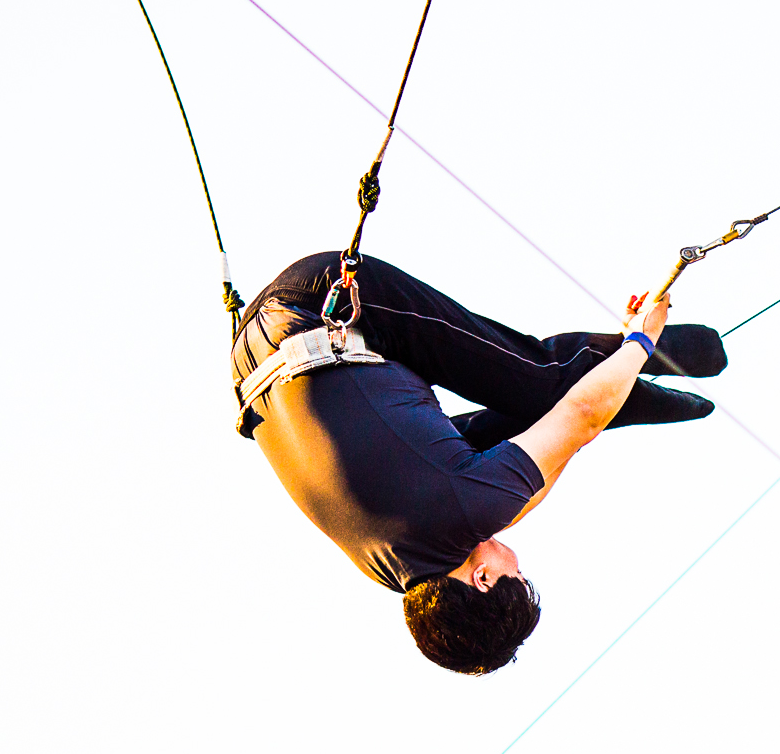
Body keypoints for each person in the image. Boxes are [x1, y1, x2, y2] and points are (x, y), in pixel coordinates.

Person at [231, 252, 728, 674]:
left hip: (330, 303)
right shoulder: (394, 565)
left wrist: (637, 343)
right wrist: (572, 442)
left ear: (483, 581)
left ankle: (643, 355)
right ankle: (620, 383)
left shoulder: (459, 510)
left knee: (549, 391)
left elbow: (578, 416)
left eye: (514, 573)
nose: (515, 559)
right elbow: (512, 497)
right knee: (507, 441)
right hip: (256, 357)